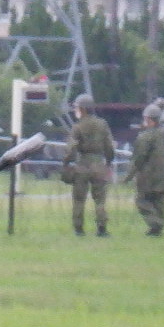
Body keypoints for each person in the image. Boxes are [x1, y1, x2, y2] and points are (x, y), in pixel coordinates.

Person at [60, 92, 114, 237]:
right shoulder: (102, 124)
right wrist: (109, 161)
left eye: (77, 108)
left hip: (82, 164)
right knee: (100, 199)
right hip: (98, 164)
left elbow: (71, 149)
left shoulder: (77, 127)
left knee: (79, 199)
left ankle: (79, 229)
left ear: (82, 109)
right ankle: (102, 229)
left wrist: (66, 162)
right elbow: (109, 146)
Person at [126, 104, 164, 236]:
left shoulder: (145, 137)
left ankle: (156, 224)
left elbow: (138, 158)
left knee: (141, 201)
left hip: (148, 176)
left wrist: (128, 176)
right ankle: (157, 231)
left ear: (149, 119)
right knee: (160, 202)